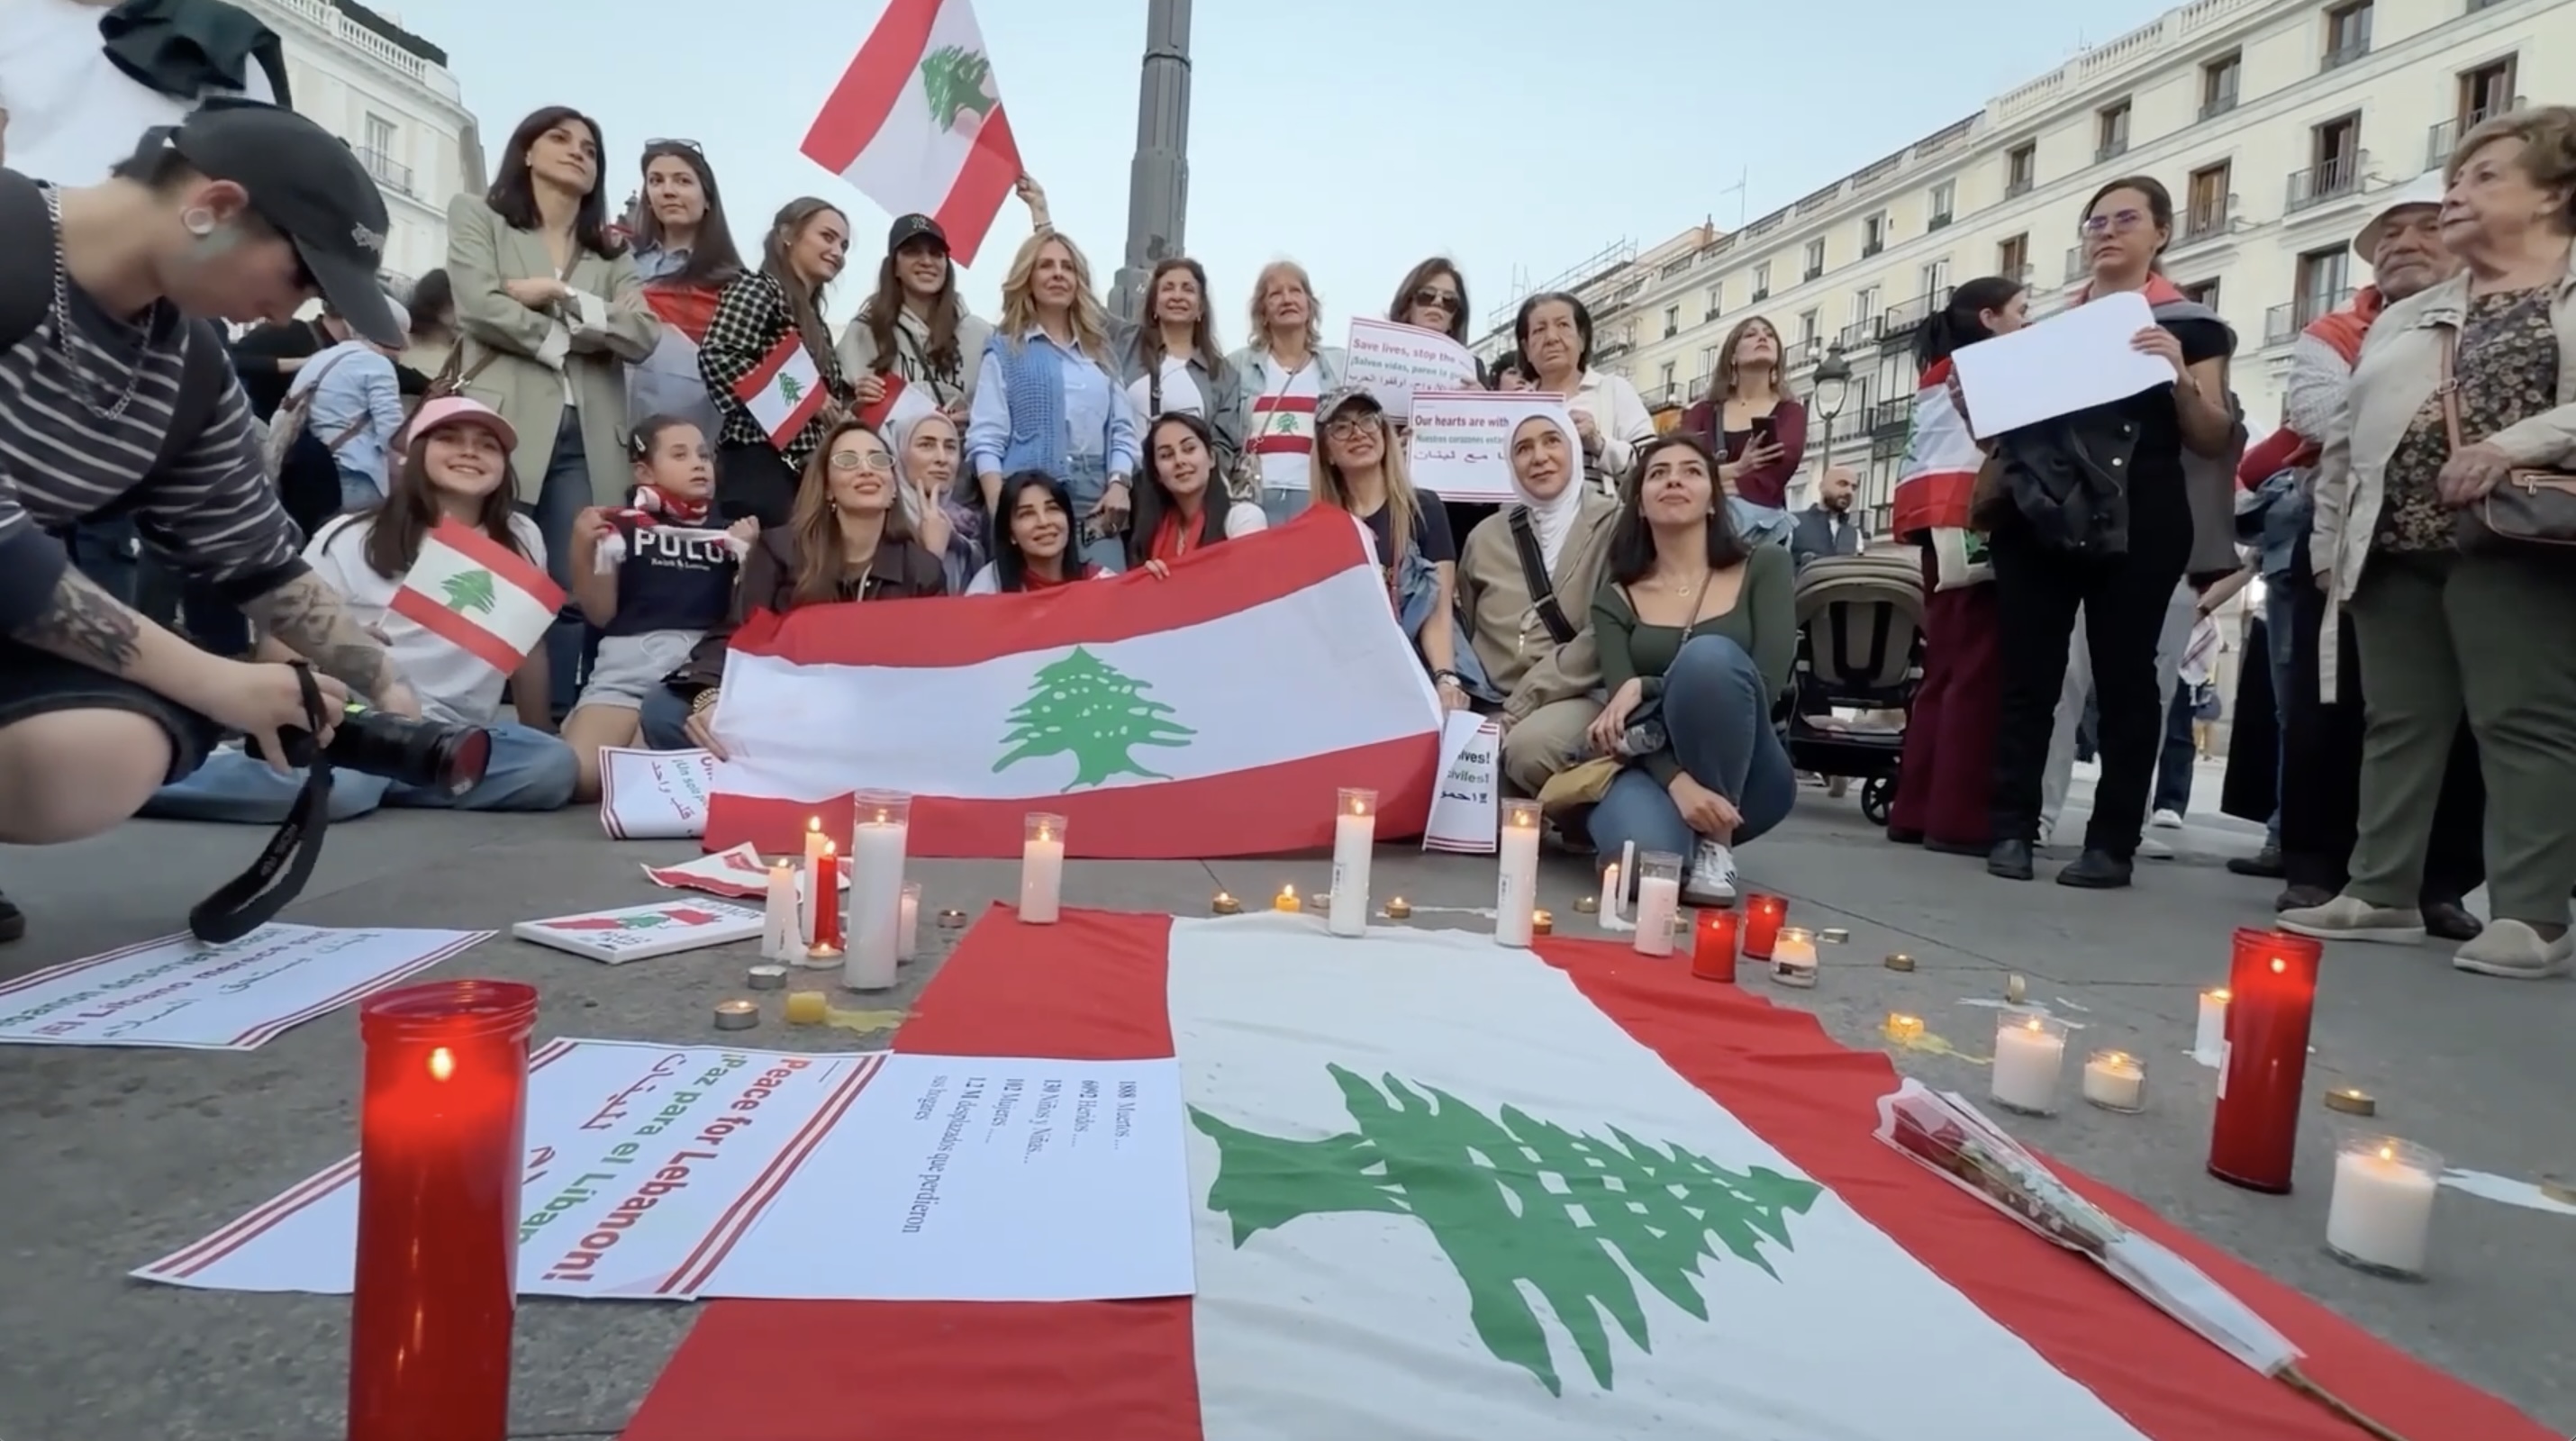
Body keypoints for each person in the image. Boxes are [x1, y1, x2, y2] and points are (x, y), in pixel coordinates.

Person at [0, 103, 421, 943]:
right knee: (192, 691)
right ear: (218, 207)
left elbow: (257, 561)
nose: (286, 307)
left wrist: (388, 691)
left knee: (114, 746)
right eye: (302, 277)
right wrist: (212, 679)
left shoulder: (189, 366)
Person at [2290, 105, 2576, 979]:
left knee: (2521, 718)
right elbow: (2344, 437)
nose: (2456, 193)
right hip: (2393, 540)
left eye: (2486, 176)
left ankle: (2532, 916)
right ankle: (2379, 890)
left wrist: (2508, 447)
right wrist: (2329, 546)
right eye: (2456, 176)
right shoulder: (2406, 314)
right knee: (2398, 722)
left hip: (2516, 534)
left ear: (2555, 193)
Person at [144, 396, 578, 820]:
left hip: (449, 733)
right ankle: (149, 782)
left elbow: (525, 646)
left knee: (551, 766)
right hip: (356, 718)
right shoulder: (350, 535)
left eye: (488, 445)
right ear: (414, 453)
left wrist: (535, 730)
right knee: (348, 788)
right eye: (449, 438)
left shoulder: (522, 537)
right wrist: (336, 654)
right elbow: (276, 649)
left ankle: (388, 778)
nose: (469, 451)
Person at [1985, 177, 2237, 889]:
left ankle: (2111, 842)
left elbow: (2214, 435)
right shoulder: (2049, 329)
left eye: (2126, 219)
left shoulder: (2191, 325)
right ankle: (2011, 829)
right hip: (2042, 513)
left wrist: (2179, 375)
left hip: (2145, 514)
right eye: (2095, 222)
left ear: (2161, 233)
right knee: (2029, 679)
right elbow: (2006, 433)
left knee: (2128, 680)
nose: (2107, 232)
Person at [2256, 176, 2484, 933]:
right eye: (2388, 237)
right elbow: (2323, 418)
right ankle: (2316, 868)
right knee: (2330, 709)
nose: (2402, 246)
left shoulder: (2508, 311)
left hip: (2478, 541)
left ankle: (2439, 884)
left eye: (2423, 229)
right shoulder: (2342, 329)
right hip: (2356, 539)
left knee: (2462, 723)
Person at [444, 104, 661, 716]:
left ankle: (550, 724)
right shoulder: (479, 216)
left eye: (590, 147)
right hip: (498, 430)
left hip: (590, 438)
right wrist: (571, 337)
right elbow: (479, 305)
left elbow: (643, 336)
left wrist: (558, 295)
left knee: (569, 586)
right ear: (528, 151)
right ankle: (456, 714)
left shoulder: (612, 255)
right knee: (478, 572)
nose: (577, 152)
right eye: (560, 139)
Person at [1584, 433, 1796, 907]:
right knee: (1641, 872)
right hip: (1656, 768)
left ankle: (1716, 846)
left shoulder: (1766, 566)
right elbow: (1624, 721)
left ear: (1713, 502)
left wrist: (1648, 683)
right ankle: (1676, 838)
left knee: (1711, 659)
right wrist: (1679, 785)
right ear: (1639, 504)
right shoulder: (1616, 598)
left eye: (1691, 471)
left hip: (1749, 771)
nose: (1674, 480)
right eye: (1658, 473)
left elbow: (1762, 686)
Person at [658, 418, 946, 754]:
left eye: (878, 460)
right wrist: (710, 696)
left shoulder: (923, 569)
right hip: (788, 704)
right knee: (664, 711)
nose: (866, 469)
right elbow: (735, 633)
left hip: (880, 712)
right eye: (847, 461)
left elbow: (937, 670)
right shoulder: (779, 548)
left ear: (893, 486)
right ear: (826, 487)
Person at [1885, 276, 2027, 854]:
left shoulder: (1937, 372)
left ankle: (1916, 805)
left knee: (1945, 669)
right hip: (1974, 514)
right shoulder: (1988, 366)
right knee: (1978, 670)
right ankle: (1958, 816)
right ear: (1991, 318)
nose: (2028, 322)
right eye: (2022, 310)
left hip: (1934, 514)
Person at [561, 415, 749, 798]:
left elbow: (744, 616)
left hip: (694, 681)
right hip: (625, 671)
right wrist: (582, 549)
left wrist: (750, 558)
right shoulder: (616, 524)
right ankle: (613, 738)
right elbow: (600, 613)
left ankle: (636, 748)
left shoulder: (733, 529)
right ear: (644, 471)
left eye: (703, 454)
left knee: (661, 781)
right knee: (580, 779)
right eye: (679, 455)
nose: (698, 464)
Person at [1456, 410, 1619, 795]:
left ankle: (1578, 809)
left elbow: (1605, 634)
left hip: (1573, 695)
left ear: (1573, 450)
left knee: (1527, 750)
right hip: (1493, 701)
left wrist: (1521, 706)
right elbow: (1468, 624)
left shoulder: (1615, 525)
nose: (1539, 457)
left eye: (1551, 441)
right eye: (1523, 448)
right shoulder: (1485, 537)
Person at [966, 229, 1138, 572]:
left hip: (1096, 499)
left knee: (1105, 605)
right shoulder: (1006, 349)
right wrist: (1002, 508)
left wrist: (1120, 484)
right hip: (1030, 498)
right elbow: (986, 437)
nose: (1058, 274)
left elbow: (1122, 430)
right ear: (1028, 278)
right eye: (1046, 265)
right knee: (1035, 613)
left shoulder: (1101, 352)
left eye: (1068, 267)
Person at [1309, 386, 1474, 707]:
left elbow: (1438, 608)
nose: (1358, 433)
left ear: (1384, 432)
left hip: (1424, 666)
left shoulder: (1424, 507)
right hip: (1357, 676)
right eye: (1341, 427)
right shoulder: (1320, 528)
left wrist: (1445, 677)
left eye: (1368, 420)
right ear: (1326, 451)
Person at [699, 197, 854, 528]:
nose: (838, 252)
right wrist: (808, 401)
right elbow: (719, 357)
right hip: (759, 464)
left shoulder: (814, 319)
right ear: (787, 234)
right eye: (827, 237)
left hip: (802, 472)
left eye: (844, 245)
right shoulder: (759, 289)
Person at [623, 140, 746, 446]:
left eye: (683, 181)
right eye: (656, 181)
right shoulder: (619, 264)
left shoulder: (734, 283)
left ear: (707, 199)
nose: (668, 191)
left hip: (691, 434)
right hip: (614, 423)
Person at [1226, 259, 1343, 524]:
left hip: (1317, 495)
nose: (1286, 299)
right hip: (1254, 500)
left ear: (1310, 306)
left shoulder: (1339, 365)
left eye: (1295, 291)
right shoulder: (1237, 366)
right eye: (1275, 294)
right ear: (1263, 312)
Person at [1111, 257, 1242, 475]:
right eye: (1168, 288)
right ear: (1154, 303)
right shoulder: (1125, 343)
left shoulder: (1222, 374)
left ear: (1201, 307)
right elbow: (1080, 302)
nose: (1177, 296)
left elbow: (1223, 447)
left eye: (1188, 289)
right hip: (1127, 488)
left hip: (1186, 493)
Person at [1515, 290, 1655, 493]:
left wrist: (1599, 445)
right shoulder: (1514, 406)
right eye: (1539, 330)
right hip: (1522, 520)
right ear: (1526, 348)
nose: (1551, 338)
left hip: (1598, 519)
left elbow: (1652, 462)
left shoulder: (1613, 390)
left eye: (1562, 325)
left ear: (1582, 339)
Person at [280, 296, 411, 509]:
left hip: (308, 468)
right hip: (355, 473)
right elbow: (391, 431)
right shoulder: (377, 364)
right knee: (356, 539)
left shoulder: (322, 358)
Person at [1126, 411, 1263, 575]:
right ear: (1157, 474)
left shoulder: (1243, 518)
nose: (1179, 461)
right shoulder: (1150, 532)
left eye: (1189, 449)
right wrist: (1147, 583)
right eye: (1166, 455)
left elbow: (1249, 583)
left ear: (1211, 458)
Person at [966, 470, 1117, 594]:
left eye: (1052, 509)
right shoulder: (989, 587)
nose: (1044, 522)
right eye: (1027, 514)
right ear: (1011, 533)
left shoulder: (1102, 583)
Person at [1789, 465, 1864, 569]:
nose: (1849, 492)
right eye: (1842, 484)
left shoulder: (1854, 534)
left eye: (1854, 487)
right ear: (1822, 487)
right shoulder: (1792, 523)